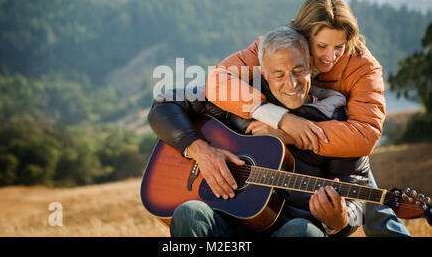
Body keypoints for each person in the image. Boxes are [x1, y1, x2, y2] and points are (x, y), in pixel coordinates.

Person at [204, 0, 410, 236]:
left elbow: (365, 135)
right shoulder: (279, 46)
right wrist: (280, 118)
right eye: (322, 46)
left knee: (367, 196)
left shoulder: (364, 67)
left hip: (339, 137)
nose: (330, 57)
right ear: (303, 35)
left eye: (339, 48)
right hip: (296, 130)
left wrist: (293, 134)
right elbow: (218, 80)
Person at [148, 26, 367, 237]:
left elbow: (357, 198)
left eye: (298, 71)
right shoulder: (239, 96)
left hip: (291, 229)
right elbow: (164, 103)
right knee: (190, 213)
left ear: (311, 64)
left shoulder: (342, 123)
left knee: (305, 231)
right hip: (226, 224)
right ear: (263, 72)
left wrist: (340, 221)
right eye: (278, 74)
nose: (291, 84)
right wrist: (201, 151)